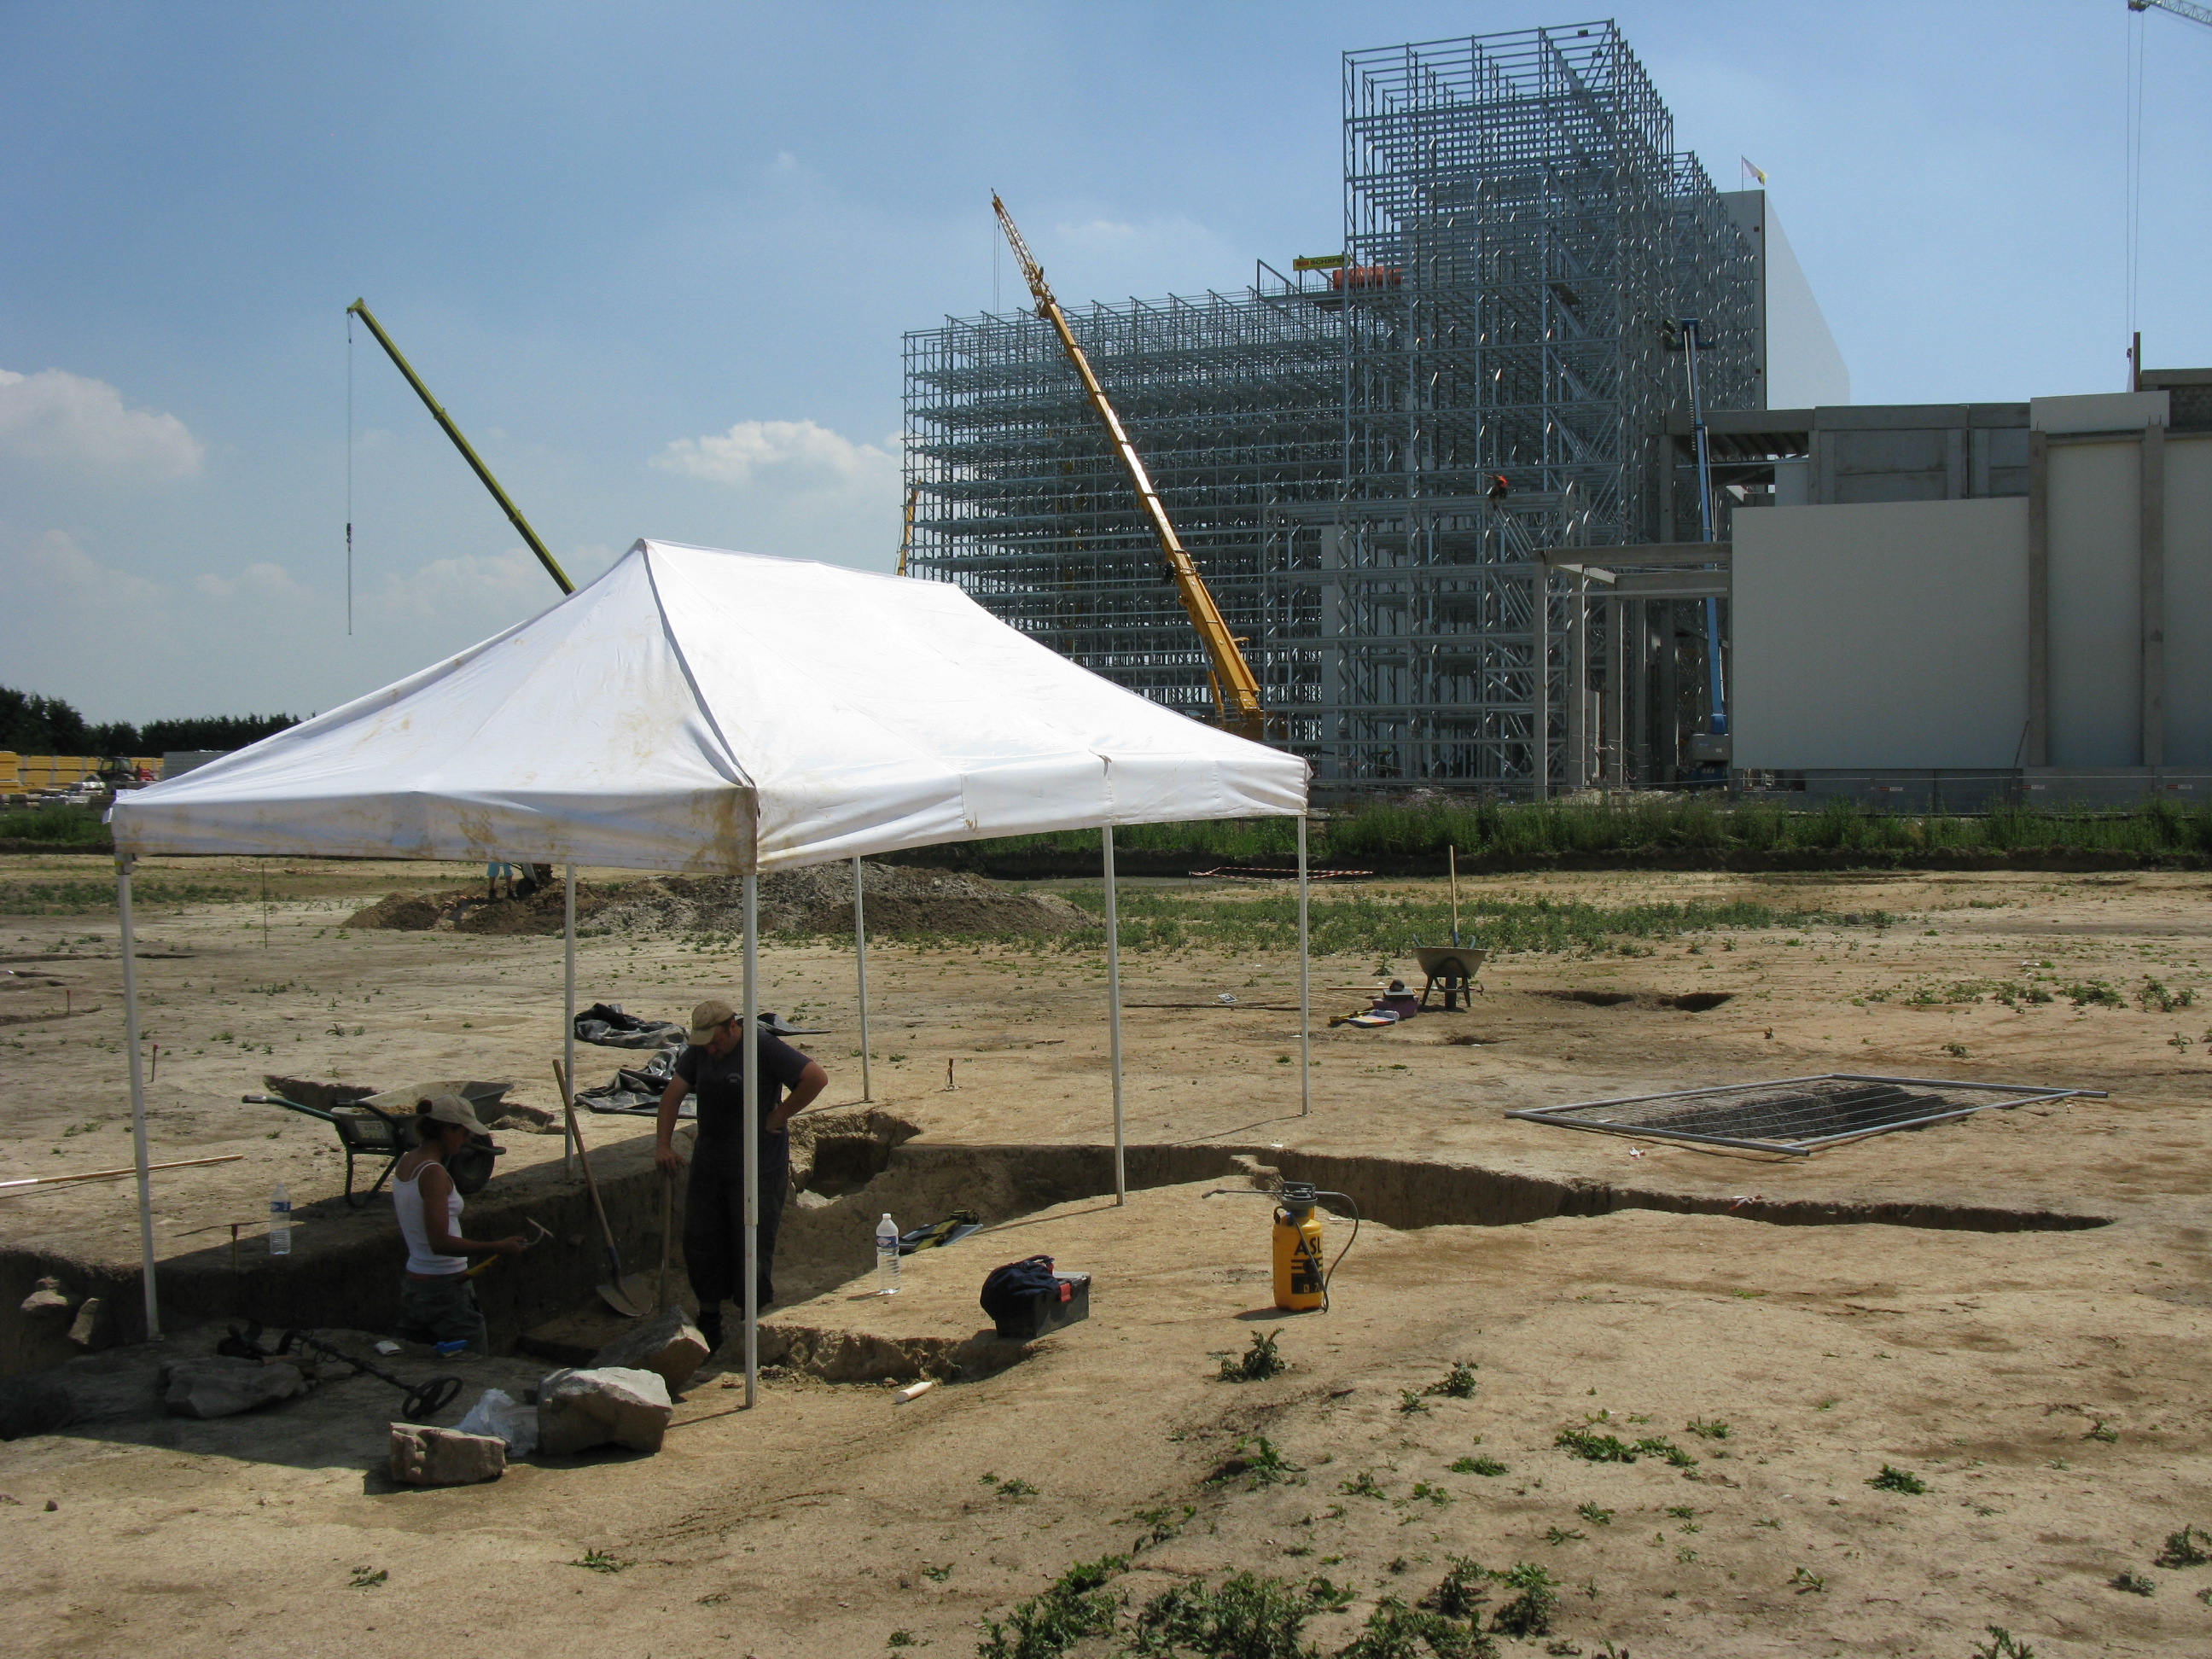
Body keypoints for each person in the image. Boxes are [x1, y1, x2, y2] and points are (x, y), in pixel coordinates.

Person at [656, 998, 828, 1353]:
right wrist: (663, 1146)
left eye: (717, 1042)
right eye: (707, 1045)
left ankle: (753, 1321)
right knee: (702, 1240)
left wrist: (780, 1115)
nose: (713, 1050)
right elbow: (672, 1096)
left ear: (733, 1027)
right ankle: (710, 1319)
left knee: (750, 1243)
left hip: (757, 1166)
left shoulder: (762, 1046)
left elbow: (815, 1078)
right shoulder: (702, 1051)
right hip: (711, 1160)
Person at [392, 1094, 527, 1354]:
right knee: (474, 1363)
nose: (467, 1140)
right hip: (444, 1288)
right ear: (446, 1130)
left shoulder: (406, 1161)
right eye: (463, 1132)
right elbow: (440, 1242)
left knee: (409, 1361)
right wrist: (498, 1246)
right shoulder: (432, 1174)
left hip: (416, 1284)